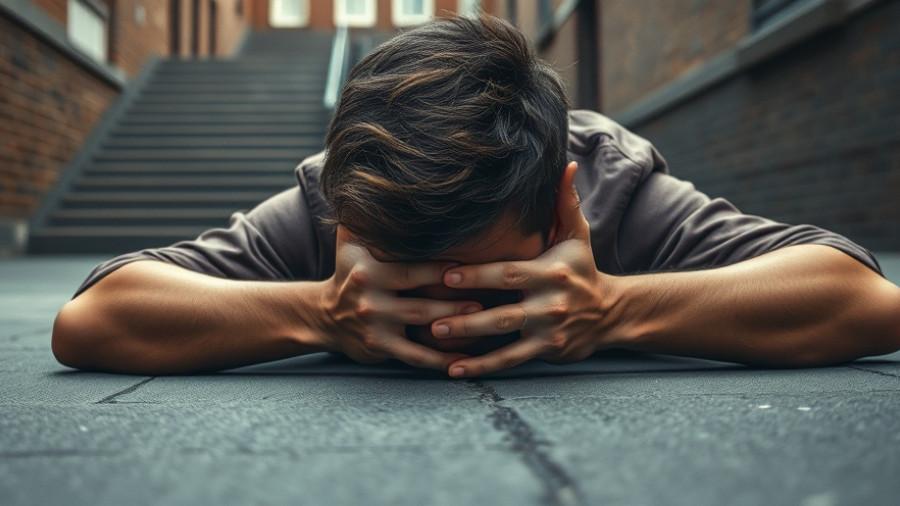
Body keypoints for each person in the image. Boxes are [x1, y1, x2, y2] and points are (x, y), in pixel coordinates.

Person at [51, 15, 900, 378]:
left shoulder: (607, 182)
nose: (442, 315)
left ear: (560, 205)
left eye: (486, 279)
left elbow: (865, 299)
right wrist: (318, 312)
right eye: (405, 274)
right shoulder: (341, 197)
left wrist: (615, 307)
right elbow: (92, 318)